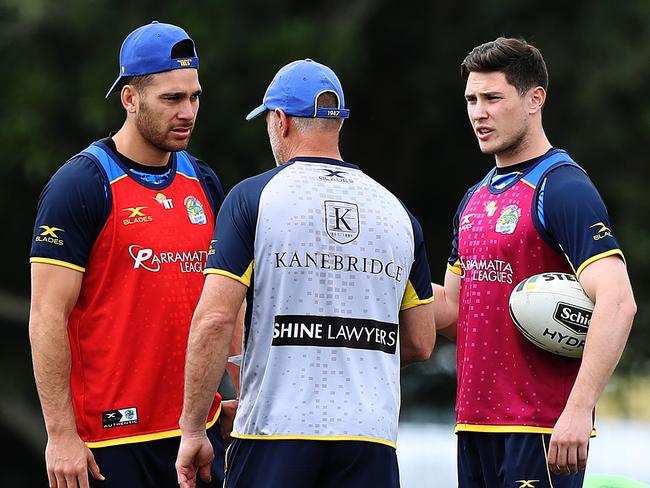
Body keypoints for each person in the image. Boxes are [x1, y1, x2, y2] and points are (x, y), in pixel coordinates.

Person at [175, 58, 436, 488]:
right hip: (370, 438)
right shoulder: (397, 213)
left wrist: (192, 429)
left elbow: (215, 319)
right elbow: (421, 341)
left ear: (280, 121)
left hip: (276, 433)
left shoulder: (253, 199)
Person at [29, 21, 238, 488]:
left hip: (195, 436)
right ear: (130, 98)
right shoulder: (81, 184)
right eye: (171, 99)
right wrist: (60, 433)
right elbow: (46, 314)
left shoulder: (203, 182)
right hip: (109, 444)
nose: (188, 112)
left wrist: (240, 393)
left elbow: (227, 305)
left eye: (194, 97)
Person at [432, 37, 637, 487]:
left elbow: (619, 302)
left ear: (534, 99)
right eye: (471, 99)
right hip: (475, 427)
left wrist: (580, 408)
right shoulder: (474, 198)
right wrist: (387, 274)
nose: (478, 112)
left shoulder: (563, 188)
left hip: (543, 430)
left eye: (492, 98)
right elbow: (452, 312)